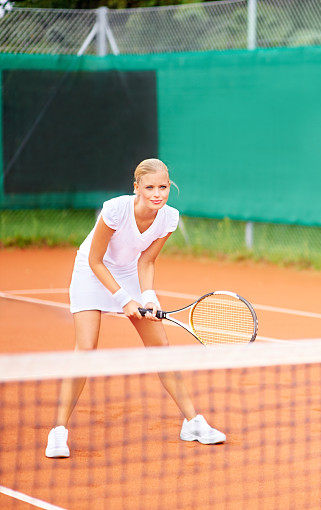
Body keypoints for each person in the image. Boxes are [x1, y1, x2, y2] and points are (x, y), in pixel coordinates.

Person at [45, 158, 225, 458]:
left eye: (163, 187)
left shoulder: (169, 218)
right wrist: (123, 300)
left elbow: (146, 261)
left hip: (129, 272)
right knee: (85, 349)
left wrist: (148, 295)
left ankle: (193, 422)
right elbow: (95, 260)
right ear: (136, 188)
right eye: (150, 187)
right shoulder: (115, 210)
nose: (157, 194)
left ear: (170, 186)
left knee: (161, 348)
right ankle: (58, 431)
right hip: (92, 272)